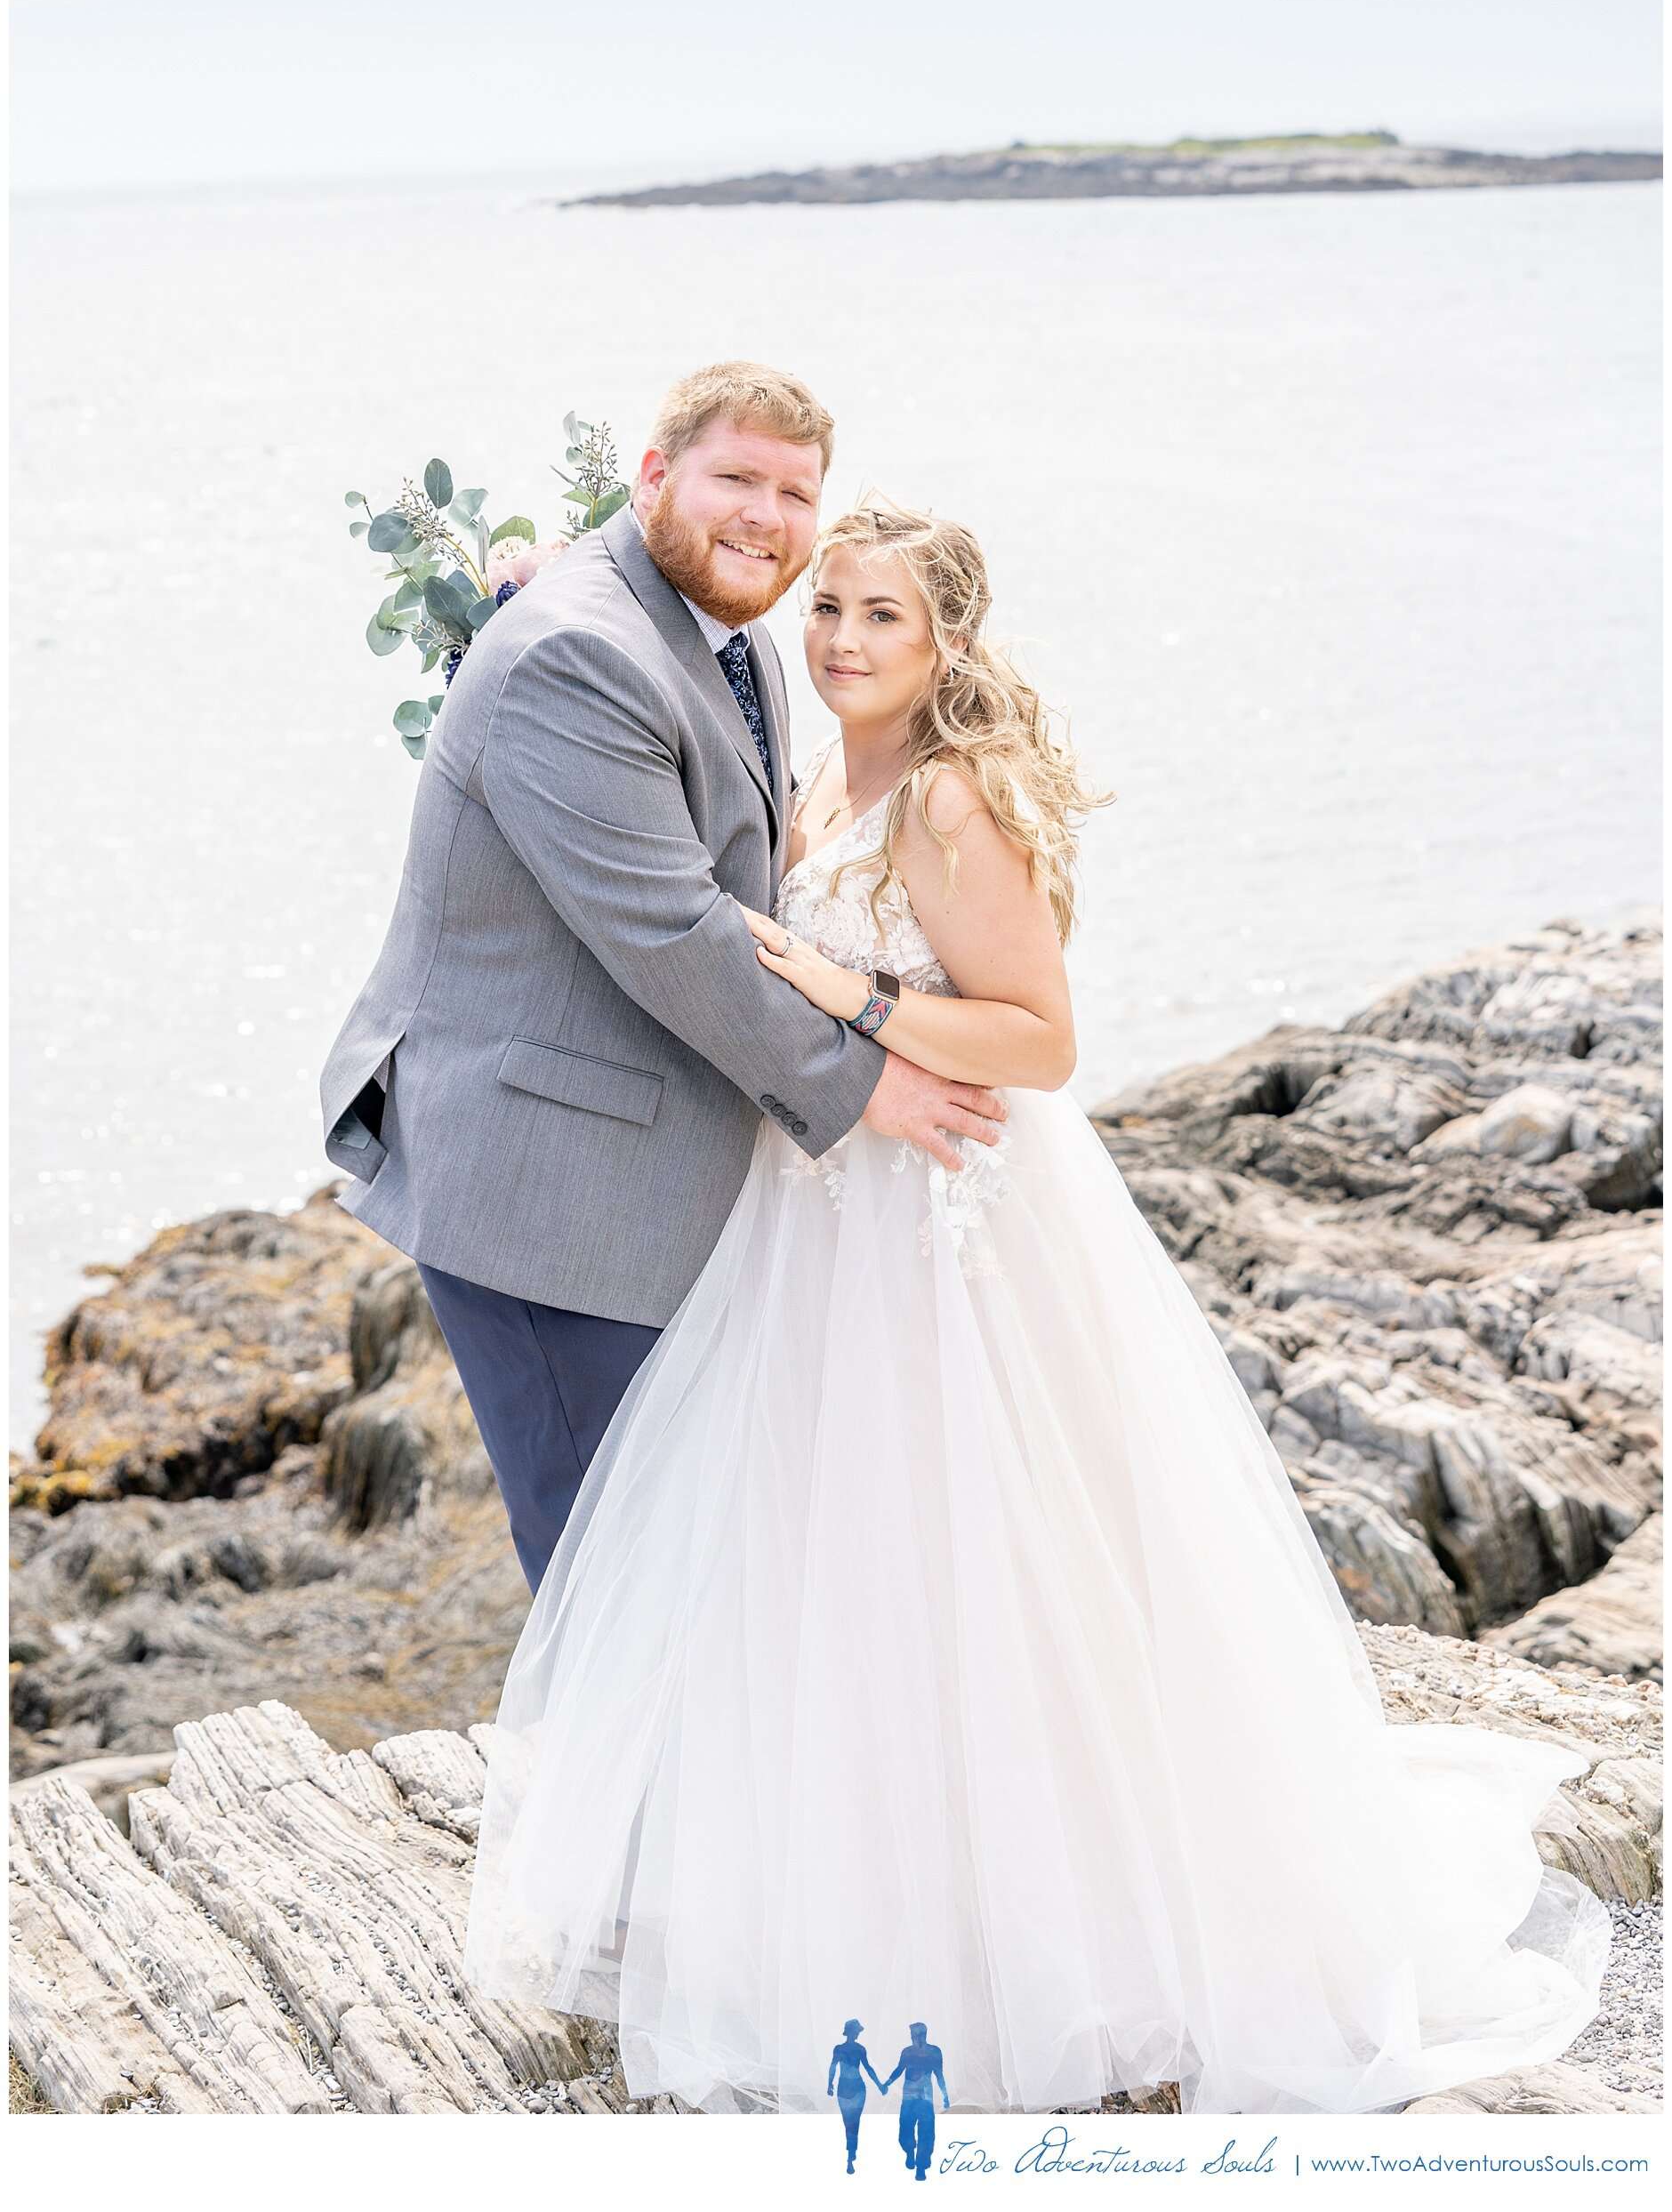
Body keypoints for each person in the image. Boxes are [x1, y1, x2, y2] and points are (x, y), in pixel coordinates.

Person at [460, 494, 1611, 2118]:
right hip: (815, 1220)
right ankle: (861, 1906)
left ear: (946, 648)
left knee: (987, 1562)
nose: (844, 638)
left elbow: (1041, 1039)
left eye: (882, 617)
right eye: (833, 609)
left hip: (949, 1228)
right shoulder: (811, 774)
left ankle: (1059, 1942)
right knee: (832, 1573)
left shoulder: (943, 799)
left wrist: (848, 995)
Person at [318, 363, 1003, 1592]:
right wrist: (867, 1088)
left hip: (645, 1163)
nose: (765, 515)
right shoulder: (577, 652)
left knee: (689, 1562)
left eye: (795, 492)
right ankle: (609, 1796)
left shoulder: (733, 640)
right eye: (735, 477)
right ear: (650, 476)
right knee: (612, 1576)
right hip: (550, 1191)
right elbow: (673, 930)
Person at [883, 2023, 949, 2178]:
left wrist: (945, 2095)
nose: (915, 2037)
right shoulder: (908, 2052)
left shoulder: (934, 2052)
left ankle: (920, 2165)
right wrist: (886, 2083)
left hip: (924, 2098)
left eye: (916, 2034)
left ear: (922, 2035)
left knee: (925, 2131)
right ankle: (911, 2153)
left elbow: (939, 2075)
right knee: (907, 2128)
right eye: (914, 2034)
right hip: (910, 2097)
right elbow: (899, 2070)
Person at [827, 2018, 885, 2170]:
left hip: (857, 2089)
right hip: (845, 2090)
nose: (858, 2034)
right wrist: (829, 2084)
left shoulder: (861, 2049)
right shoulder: (839, 2049)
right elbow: (833, 2067)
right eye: (857, 2031)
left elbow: (868, 2068)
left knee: (854, 2122)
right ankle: (851, 2152)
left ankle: (851, 2154)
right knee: (848, 2122)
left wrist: (879, 2085)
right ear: (851, 2032)